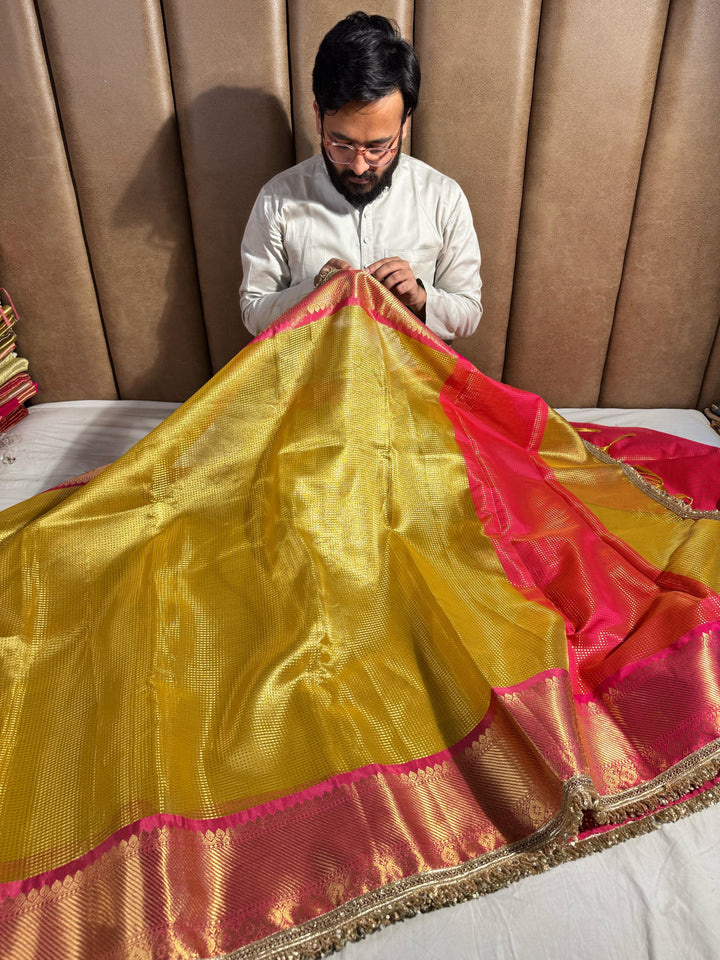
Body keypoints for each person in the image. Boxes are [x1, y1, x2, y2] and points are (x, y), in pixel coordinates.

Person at [240, 11, 482, 341]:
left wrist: (419, 298)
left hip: (411, 385)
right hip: (315, 385)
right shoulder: (277, 200)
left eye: (378, 147)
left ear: (405, 124)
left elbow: (468, 313)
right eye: (341, 143)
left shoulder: (444, 198)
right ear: (318, 117)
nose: (358, 166)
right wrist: (312, 292)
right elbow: (254, 312)